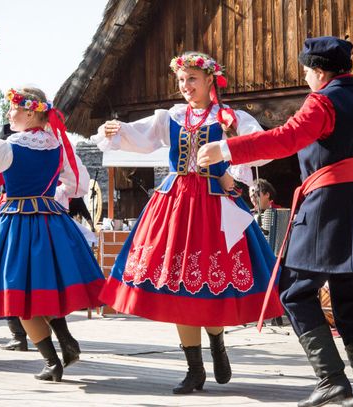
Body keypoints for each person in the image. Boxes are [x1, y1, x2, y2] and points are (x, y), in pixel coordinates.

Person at [198, 36, 353, 407]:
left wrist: (226, 148)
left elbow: (287, 139)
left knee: (293, 289)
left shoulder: (323, 101)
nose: (307, 78)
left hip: (331, 206)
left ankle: (331, 380)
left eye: (308, 71)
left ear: (320, 72)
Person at [93, 52, 283, 394]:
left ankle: (218, 342)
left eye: (192, 79)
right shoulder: (171, 117)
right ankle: (194, 369)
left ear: (211, 79)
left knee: (212, 281)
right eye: (181, 80)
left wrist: (229, 153)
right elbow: (139, 137)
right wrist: (115, 130)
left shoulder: (231, 117)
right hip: (175, 204)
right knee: (177, 284)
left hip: (215, 206)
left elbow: (261, 150)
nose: (185, 87)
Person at [0, 87, 105, 381]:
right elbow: (77, 185)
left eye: (12, 108)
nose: (9, 114)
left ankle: (52, 362)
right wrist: (53, 195)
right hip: (51, 222)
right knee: (46, 286)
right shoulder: (58, 147)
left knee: (20, 296)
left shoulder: (7, 147)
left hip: (17, 224)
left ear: (29, 112)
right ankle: (66, 342)